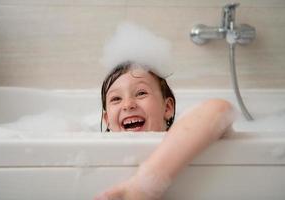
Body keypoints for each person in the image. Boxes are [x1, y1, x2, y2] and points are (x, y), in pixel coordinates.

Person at [94, 61, 235, 200]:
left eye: (141, 93)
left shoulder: (184, 137)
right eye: (116, 98)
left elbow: (219, 108)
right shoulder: (97, 150)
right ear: (107, 120)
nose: (128, 105)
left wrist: (144, 187)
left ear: (167, 108)